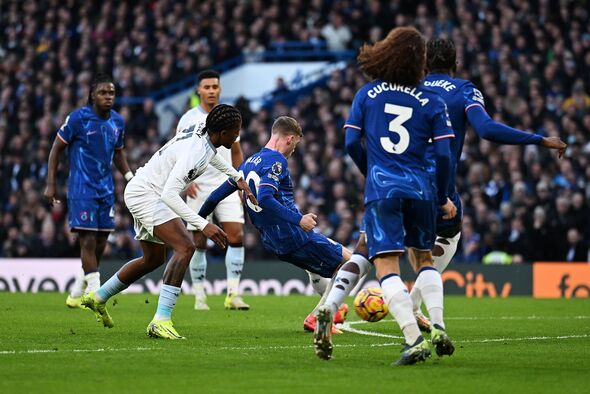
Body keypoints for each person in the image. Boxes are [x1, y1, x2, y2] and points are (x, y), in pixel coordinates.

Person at [314, 27, 458, 365]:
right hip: (421, 188)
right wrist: (440, 194)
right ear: (418, 61)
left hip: (383, 188)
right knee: (423, 259)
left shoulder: (367, 94)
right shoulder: (432, 100)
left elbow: (351, 143)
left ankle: (414, 339)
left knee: (385, 264)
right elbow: (444, 155)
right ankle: (437, 325)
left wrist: (372, 171)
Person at [410, 38, 567, 328]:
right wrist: (539, 139)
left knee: (370, 246)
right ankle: (413, 304)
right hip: (435, 184)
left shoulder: (408, 90)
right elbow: (486, 129)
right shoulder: (463, 89)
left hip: (396, 178)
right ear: (455, 64)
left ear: (424, 63)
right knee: (449, 235)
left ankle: (330, 304)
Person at [81, 104, 257, 340]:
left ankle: (98, 297)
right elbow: (170, 195)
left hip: (145, 189)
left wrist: (237, 178)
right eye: (235, 131)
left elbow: (212, 158)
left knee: (152, 259)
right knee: (186, 247)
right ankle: (161, 320)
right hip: (149, 194)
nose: (237, 136)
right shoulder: (196, 153)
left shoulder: (206, 137)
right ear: (222, 133)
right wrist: (204, 224)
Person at [197, 116, 365, 333]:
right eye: (295, 145)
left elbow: (213, 197)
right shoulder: (277, 161)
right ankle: (321, 315)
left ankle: (334, 306)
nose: (293, 150)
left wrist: (199, 222)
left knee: (313, 270)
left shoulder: (248, 163)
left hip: (272, 240)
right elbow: (266, 198)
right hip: (292, 234)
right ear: (289, 138)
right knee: (353, 264)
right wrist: (299, 220)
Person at [44, 73, 133, 309]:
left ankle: (77, 289)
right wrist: (51, 183)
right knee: (88, 240)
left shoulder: (117, 122)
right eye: (103, 92)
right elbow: (56, 149)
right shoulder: (77, 119)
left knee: (102, 241)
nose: (108, 97)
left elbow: (119, 153)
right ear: (92, 95)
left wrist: (129, 177)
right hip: (81, 189)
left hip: (106, 189)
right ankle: (95, 293)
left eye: (111, 92)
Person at [177, 70, 249, 311]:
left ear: (220, 89)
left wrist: (241, 180)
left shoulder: (229, 115)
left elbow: (236, 151)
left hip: (226, 182)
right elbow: (177, 152)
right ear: (199, 91)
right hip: (198, 185)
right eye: (206, 87)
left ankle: (232, 295)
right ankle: (199, 297)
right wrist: (186, 183)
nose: (211, 91)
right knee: (199, 241)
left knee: (236, 235)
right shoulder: (188, 118)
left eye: (215, 87)